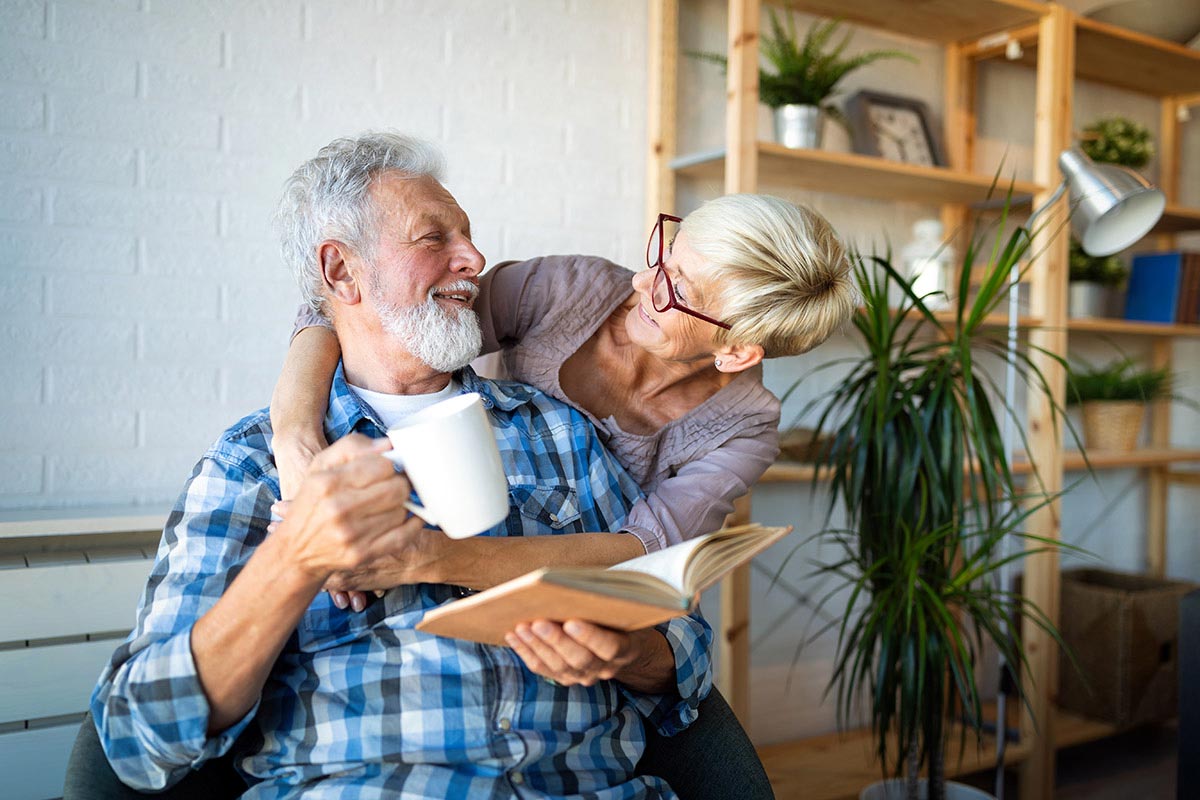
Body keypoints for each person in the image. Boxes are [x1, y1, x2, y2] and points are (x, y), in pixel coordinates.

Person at [90, 132, 713, 799]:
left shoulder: (556, 431)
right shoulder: (253, 464)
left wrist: (629, 654)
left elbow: (687, 641)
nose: (474, 258)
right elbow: (137, 736)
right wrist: (292, 561)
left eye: (468, 235)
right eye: (432, 239)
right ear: (341, 272)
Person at [271, 192, 858, 611]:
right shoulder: (568, 290)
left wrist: (431, 560)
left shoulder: (745, 430)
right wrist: (294, 437)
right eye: (668, 253)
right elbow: (359, 311)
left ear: (735, 354)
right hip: (455, 501)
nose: (641, 283)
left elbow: (642, 549)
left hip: (552, 591)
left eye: (678, 290)